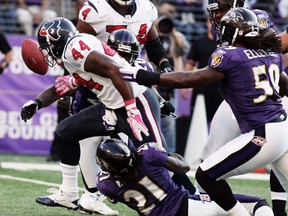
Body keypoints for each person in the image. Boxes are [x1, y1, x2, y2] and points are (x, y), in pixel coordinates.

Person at [120, 7, 288, 215]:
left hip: (263, 133)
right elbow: (283, 82)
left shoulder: (231, 56)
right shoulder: (269, 52)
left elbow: (188, 79)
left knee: (205, 175)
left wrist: (145, 76)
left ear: (233, 33)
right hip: (282, 127)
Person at [20, 17, 167, 213]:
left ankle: (189, 195)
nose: (45, 51)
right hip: (113, 106)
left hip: (136, 101)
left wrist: (131, 109)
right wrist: (37, 103)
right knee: (66, 130)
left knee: (155, 157)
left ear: (56, 40)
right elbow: (63, 86)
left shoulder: (75, 51)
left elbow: (116, 71)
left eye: (46, 46)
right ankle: (69, 194)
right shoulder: (71, 53)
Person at [202, 1, 288, 215]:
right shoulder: (226, 23)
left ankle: (275, 210)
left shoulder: (255, 17)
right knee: (210, 153)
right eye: (216, 12)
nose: (218, 16)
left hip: (264, 98)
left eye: (222, 9)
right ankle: (206, 203)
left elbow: (274, 49)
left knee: (279, 160)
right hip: (238, 96)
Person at [96, 138, 274, 216]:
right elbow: (183, 167)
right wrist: (167, 155)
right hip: (188, 207)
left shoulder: (105, 184)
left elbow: (116, 191)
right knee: (258, 204)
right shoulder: (148, 155)